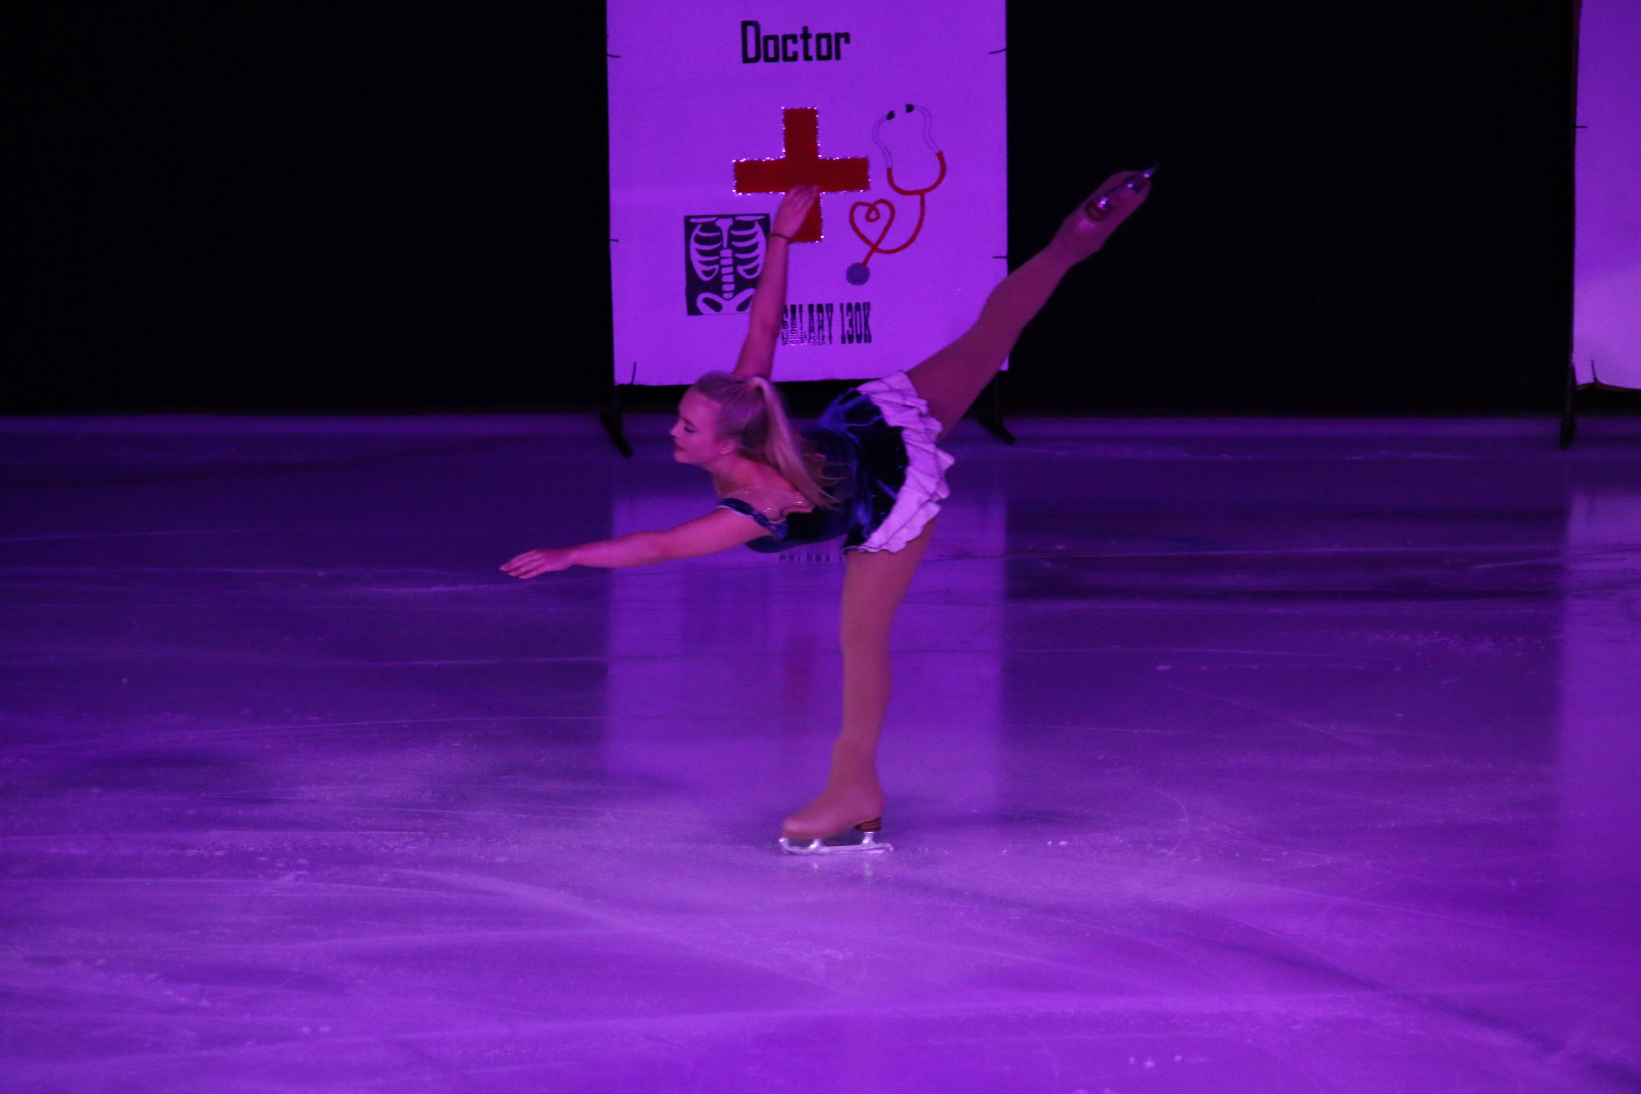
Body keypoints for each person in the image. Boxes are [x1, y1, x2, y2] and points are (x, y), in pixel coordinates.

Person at [503, 171, 1153, 851]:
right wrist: (780, 236)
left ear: (726, 443)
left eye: (687, 428)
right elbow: (764, 321)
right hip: (877, 426)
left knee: (861, 645)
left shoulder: (757, 506)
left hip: (886, 505)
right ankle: (1073, 240)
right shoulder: (748, 403)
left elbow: (661, 545)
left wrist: (571, 554)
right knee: (990, 334)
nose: (673, 431)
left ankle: (854, 787)